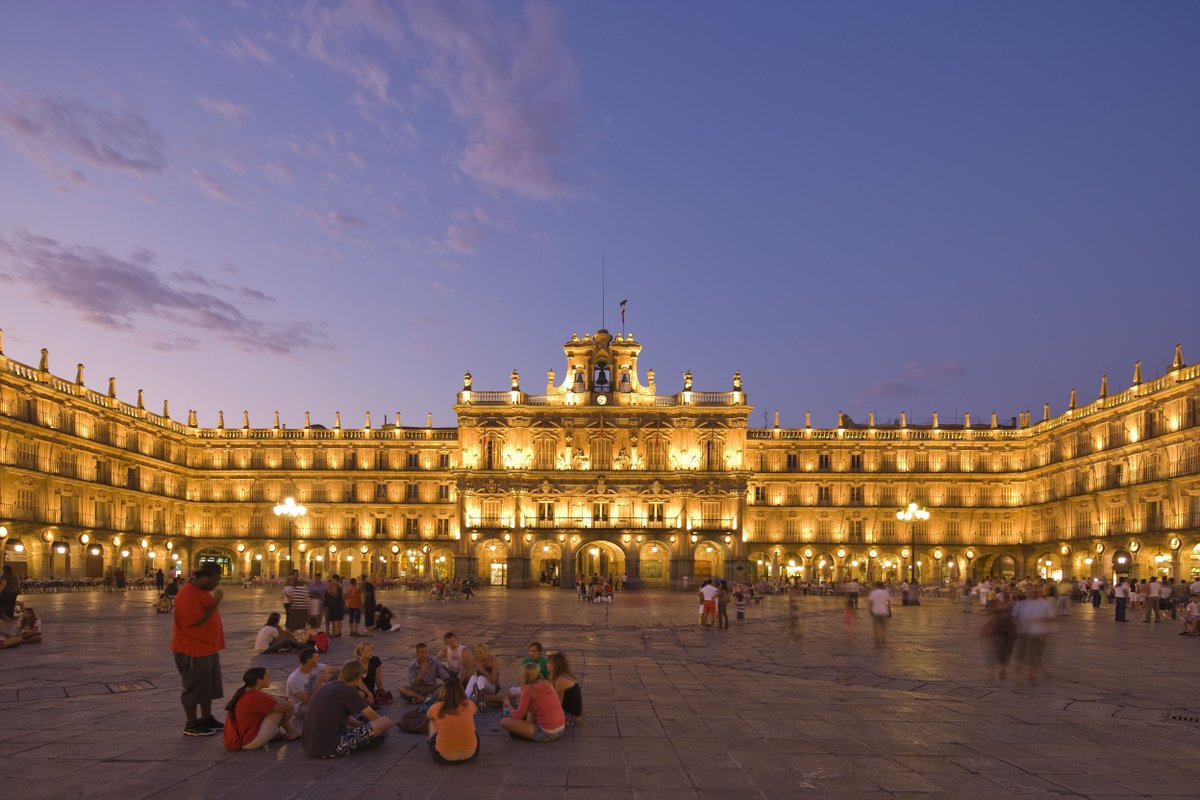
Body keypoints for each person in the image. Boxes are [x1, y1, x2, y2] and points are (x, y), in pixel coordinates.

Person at [171, 563, 226, 737]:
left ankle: (206, 718)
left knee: (207, 687)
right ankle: (191, 723)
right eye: (215, 579)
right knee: (194, 687)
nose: (216, 583)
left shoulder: (202, 592)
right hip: (192, 648)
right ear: (204, 577)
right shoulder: (187, 594)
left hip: (207, 647)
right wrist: (216, 602)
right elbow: (197, 620)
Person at [301, 660, 392, 758]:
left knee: (360, 719)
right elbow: (375, 718)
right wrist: (376, 729)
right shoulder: (348, 691)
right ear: (357, 678)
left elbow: (342, 716)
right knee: (385, 721)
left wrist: (360, 725)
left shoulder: (328, 686)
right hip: (329, 747)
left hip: (309, 746)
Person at [223, 668, 300, 751]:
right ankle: (291, 732)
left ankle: (282, 734)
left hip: (246, 738)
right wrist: (290, 701)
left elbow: (270, 698)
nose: (270, 679)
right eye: (267, 676)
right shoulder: (255, 697)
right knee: (279, 709)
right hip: (249, 742)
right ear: (259, 680)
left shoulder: (246, 692)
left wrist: (281, 700)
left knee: (277, 705)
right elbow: (286, 707)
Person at [499, 663, 566, 742]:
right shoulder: (547, 683)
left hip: (547, 732)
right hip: (561, 728)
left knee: (504, 722)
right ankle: (524, 731)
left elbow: (517, 716)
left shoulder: (528, 689)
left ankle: (524, 733)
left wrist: (508, 704)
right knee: (530, 709)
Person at [426, 676, 479, 764]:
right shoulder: (469, 705)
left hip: (443, 758)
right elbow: (475, 711)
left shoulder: (436, 707)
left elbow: (428, 716)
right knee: (470, 717)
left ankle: (433, 741)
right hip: (470, 755)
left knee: (432, 721)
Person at [286, 647, 338, 722]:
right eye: (316, 657)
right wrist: (319, 683)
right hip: (302, 707)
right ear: (308, 660)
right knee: (330, 708)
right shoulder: (295, 679)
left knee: (337, 676)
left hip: (316, 697)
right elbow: (308, 701)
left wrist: (327, 672)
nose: (319, 658)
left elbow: (330, 668)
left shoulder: (315, 667)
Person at [547, 652, 582, 725]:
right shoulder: (564, 675)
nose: (546, 664)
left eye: (549, 663)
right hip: (570, 712)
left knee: (539, 715)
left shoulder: (560, 680)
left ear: (555, 665)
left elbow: (557, 703)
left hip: (571, 716)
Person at [464, 642, 500, 708]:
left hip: (492, 687)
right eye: (476, 653)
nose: (478, 655)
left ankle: (480, 699)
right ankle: (465, 699)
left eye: (480, 652)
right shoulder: (475, 659)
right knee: (474, 677)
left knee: (481, 678)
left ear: (486, 652)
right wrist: (471, 668)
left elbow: (494, 681)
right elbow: (468, 678)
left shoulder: (492, 660)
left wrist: (482, 670)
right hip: (480, 686)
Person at [867, 581, 890, 648]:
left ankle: (877, 641)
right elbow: (888, 602)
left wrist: (870, 610)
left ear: (876, 586)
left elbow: (870, 603)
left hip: (875, 612)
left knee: (876, 628)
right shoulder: (886, 593)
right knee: (884, 627)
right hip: (884, 612)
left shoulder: (873, 593)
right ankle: (883, 639)